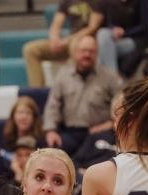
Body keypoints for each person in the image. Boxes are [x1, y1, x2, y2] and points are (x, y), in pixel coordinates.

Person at [42, 34, 122, 169]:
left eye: (91, 51)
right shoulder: (63, 75)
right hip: (70, 133)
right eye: (83, 50)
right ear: (75, 52)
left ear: (97, 54)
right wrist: (51, 131)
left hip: (98, 133)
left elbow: (120, 106)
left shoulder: (109, 77)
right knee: (48, 154)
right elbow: (53, 105)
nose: (87, 54)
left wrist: (109, 124)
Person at [22, 0, 104, 87]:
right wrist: (54, 39)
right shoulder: (67, 2)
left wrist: (67, 40)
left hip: (90, 41)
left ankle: (72, 89)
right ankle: (37, 91)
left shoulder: (98, 2)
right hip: (69, 41)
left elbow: (92, 27)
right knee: (30, 49)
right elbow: (56, 24)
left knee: (75, 45)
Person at [96, 0, 148, 76]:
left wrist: (124, 33)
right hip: (117, 39)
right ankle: (114, 78)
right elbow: (109, 23)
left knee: (103, 47)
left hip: (137, 39)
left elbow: (145, 26)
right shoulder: (112, 2)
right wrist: (114, 29)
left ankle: (111, 78)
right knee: (102, 33)